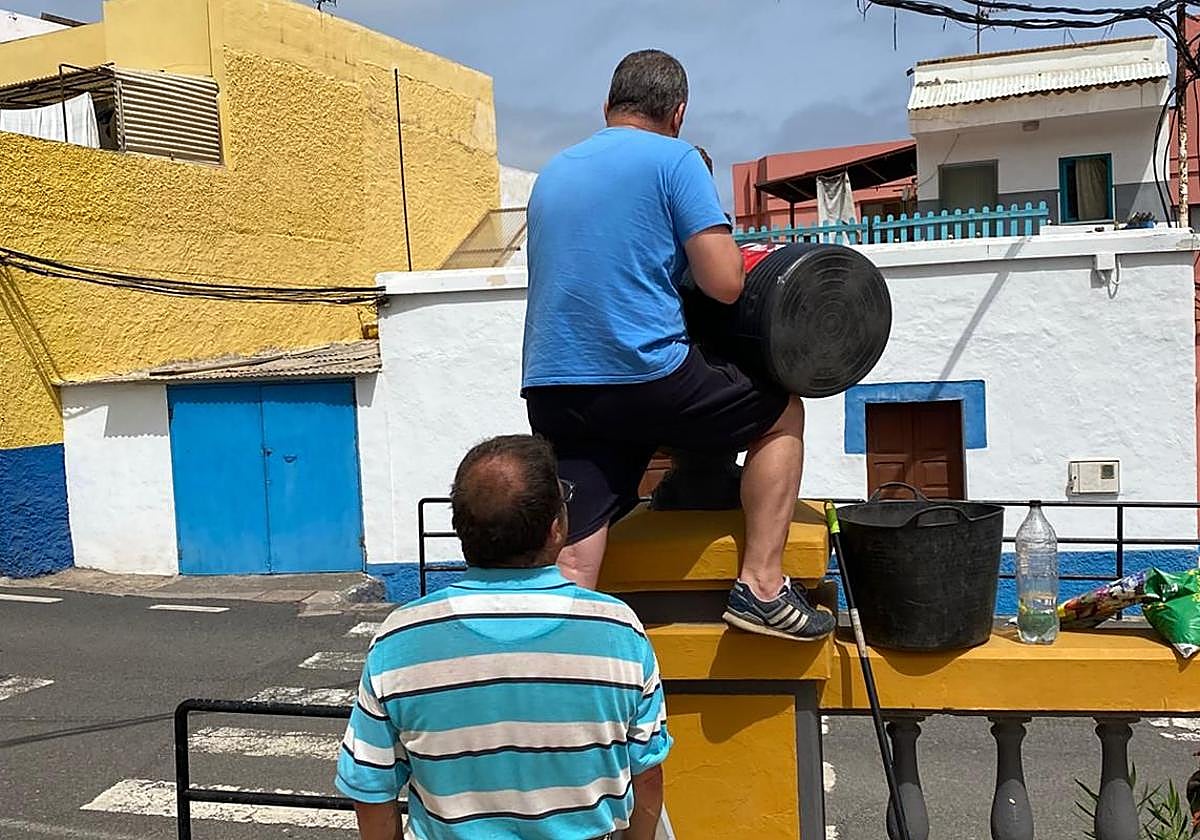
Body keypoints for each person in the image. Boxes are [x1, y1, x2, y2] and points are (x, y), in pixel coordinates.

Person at [521, 49, 835, 642]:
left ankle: (558, 663)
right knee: (781, 412)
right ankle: (763, 589)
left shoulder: (554, 171)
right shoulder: (676, 159)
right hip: (643, 376)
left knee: (575, 562)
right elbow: (723, 282)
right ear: (679, 113)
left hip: (554, 387)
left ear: (608, 106)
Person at [335, 434, 671, 840]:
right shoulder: (619, 629)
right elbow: (646, 775)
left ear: (460, 529)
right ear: (556, 528)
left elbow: (371, 786)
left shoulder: (400, 637)